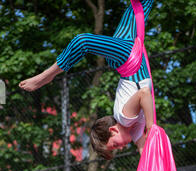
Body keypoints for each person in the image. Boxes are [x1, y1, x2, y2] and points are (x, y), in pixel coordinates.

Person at [19, 1, 154, 159]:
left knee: (83, 42)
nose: (121, 148)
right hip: (126, 59)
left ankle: (47, 76)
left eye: (115, 145)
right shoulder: (133, 128)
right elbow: (145, 151)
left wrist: (151, 127)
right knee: (142, 3)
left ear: (113, 130)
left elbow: (144, 93)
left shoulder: (125, 117)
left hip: (129, 57)